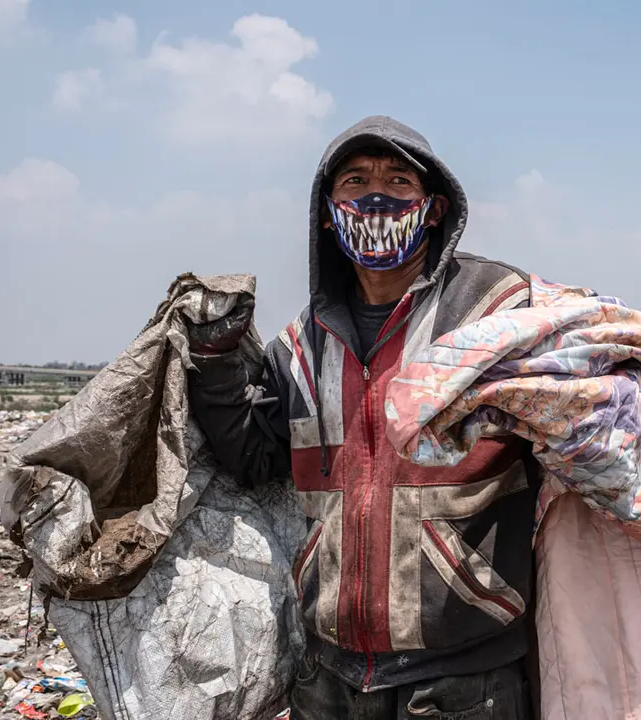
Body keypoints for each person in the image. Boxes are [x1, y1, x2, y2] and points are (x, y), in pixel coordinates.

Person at [185, 116, 539, 719]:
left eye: (399, 181)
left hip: (467, 677)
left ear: (433, 209)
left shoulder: (497, 311)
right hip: (330, 673)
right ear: (327, 212)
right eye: (355, 181)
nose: (376, 197)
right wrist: (214, 360)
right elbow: (252, 457)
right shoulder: (299, 346)